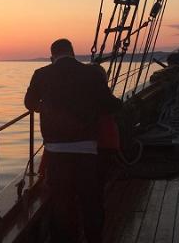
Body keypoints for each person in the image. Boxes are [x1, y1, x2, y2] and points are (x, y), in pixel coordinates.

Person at [24, 39, 122, 243]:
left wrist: (46, 108)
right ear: (73, 53)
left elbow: (29, 103)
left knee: (62, 203)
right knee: (90, 201)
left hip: (56, 151)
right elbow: (110, 106)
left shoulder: (41, 74)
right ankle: (94, 238)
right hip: (87, 150)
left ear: (53, 57)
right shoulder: (92, 73)